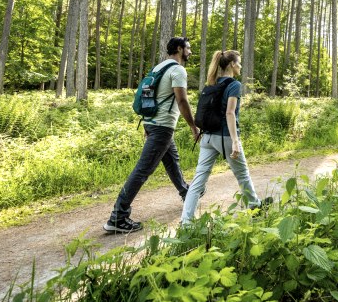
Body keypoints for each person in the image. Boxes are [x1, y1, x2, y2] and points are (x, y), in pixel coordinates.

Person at [104, 37, 200, 233]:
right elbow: (182, 101)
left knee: (172, 161)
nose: (190, 52)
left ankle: (186, 193)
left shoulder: (159, 67)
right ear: (180, 49)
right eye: (188, 48)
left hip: (151, 123)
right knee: (142, 170)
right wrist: (193, 126)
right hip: (162, 126)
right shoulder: (178, 70)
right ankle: (118, 217)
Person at [181, 50, 272, 225]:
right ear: (231, 64)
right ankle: (254, 206)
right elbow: (230, 113)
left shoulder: (211, 84)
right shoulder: (234, 85)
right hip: (225, 137)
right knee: (242, 174)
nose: (240, 66)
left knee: (198, 180)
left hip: (207, 137)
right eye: (238, 63)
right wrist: (235, 141)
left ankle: (186, 222)